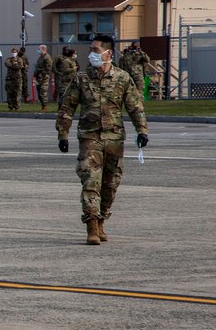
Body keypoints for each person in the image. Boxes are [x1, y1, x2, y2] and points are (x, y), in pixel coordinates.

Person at [55, 34, 147, 245]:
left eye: (96, 50)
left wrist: (142, 130)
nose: (92, 54)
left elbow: (135, 106)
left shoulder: (122, 78)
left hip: (114, 138)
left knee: (111, 183)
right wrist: (63, 133)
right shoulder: (82, 78)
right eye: (91, 50)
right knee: (91, 181)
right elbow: (67, 106)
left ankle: (102, 218)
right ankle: (92, 226)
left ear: (108, 53)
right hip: (90, 137)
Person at [34, 44, 53, 113]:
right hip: (38, 77)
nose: (38, 50)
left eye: (39, 49)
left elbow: (49, 68)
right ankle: (42, 106)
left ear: (44, 49)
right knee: (39, 92)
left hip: (44, 77)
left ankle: (45, 107)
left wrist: (41, 73)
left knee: (43, 92)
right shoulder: (40, 57)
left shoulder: (47, 57)